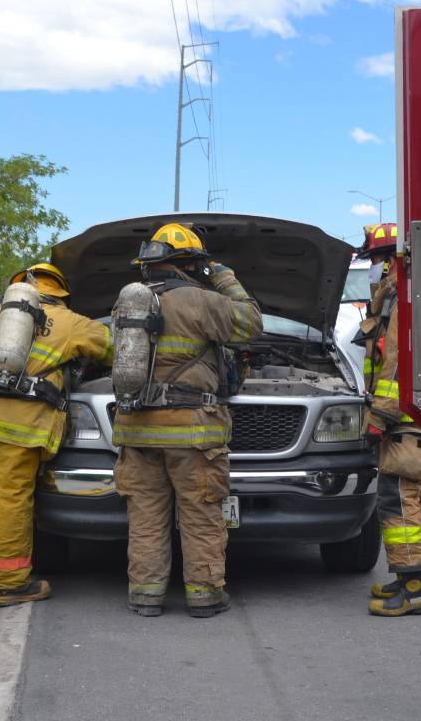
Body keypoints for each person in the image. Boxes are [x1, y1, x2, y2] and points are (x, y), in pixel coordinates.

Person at [111, 223, 262, 618]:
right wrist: (225, 278)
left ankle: (145, 595)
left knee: (145, 517)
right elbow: (251, 324)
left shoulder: (127, 305)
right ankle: (205, 595)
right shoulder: (201, 300)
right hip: (191, 433)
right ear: (190, 265)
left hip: (137, 432)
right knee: (201, 513)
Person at [0, 263, 112, 605]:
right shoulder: (71, 321)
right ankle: (8, 581)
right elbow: (110, 348)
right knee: (12, 494)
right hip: (24, 422)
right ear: (60, 292)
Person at [358, 222, 421, 617]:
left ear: (386, 260)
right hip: (415, 416)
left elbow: (394, 364)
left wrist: (379, 415)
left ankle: (412, 591)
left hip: (401, 418)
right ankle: (416, 578)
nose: (372, 269)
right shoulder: (402, 294)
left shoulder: (399, 298)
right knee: (415, 493)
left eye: (374, 260)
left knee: (396, 500)